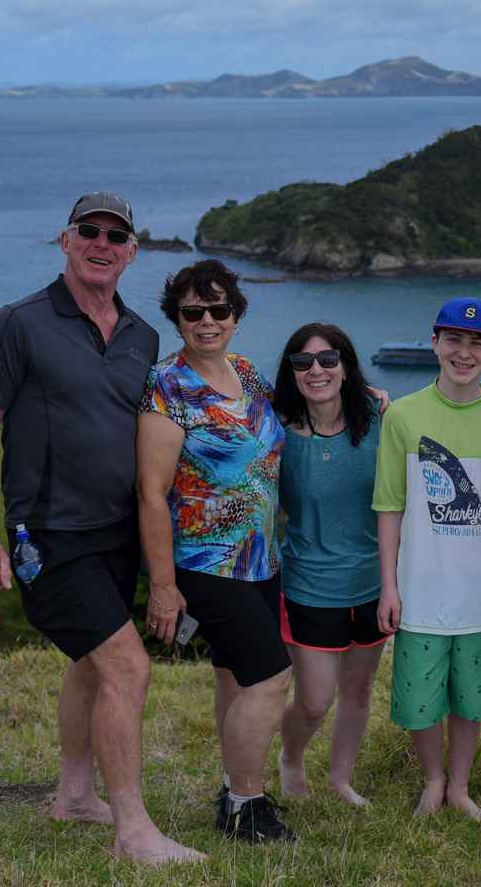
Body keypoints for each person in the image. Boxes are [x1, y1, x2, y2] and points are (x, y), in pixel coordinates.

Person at [0, 192, 202, 865]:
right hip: (48, 536)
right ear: (64, 241)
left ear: (132, 250)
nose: (102, 243)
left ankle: (73, 796)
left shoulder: (141, 336)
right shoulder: (17, 324)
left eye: (115, 235)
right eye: (88, 232)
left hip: (116, 531)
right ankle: (134, 831)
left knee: (90, 666)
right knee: (127, 666)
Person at [134, 259, 294, 844]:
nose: (206, 321)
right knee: (271, 676)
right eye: (192, 312)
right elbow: (151, 493)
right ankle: (246, 806)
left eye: (218, 310)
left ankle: (234, 787)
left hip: (260, 557)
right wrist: (162, 585)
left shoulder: (249, 375)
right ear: (176, 318)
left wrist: (363, 397)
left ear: (236, 315)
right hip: (205, 561)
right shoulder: (167, 386)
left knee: (233, 674)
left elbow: (292, 422)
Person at [374, 297, 481, 821]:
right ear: (435, 342)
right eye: (454, 341)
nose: (464, 353)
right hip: (419, 585)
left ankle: (460, 785)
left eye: (477, 344)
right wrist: (389, 585)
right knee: (420, 699)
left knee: (472, 696)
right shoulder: (403, 415)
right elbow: (389, 505)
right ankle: (433, 779)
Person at [271, 322, 388, 809]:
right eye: (303, 362)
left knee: (358, 690)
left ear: (346, 365)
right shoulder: (278, 434)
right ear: (291, 372)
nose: (316, 370)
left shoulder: (382, 416)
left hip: (373, 582)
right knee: (315, 699)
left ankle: (341, 779)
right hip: (308, 585)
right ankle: (291, 759)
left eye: (327, 359)